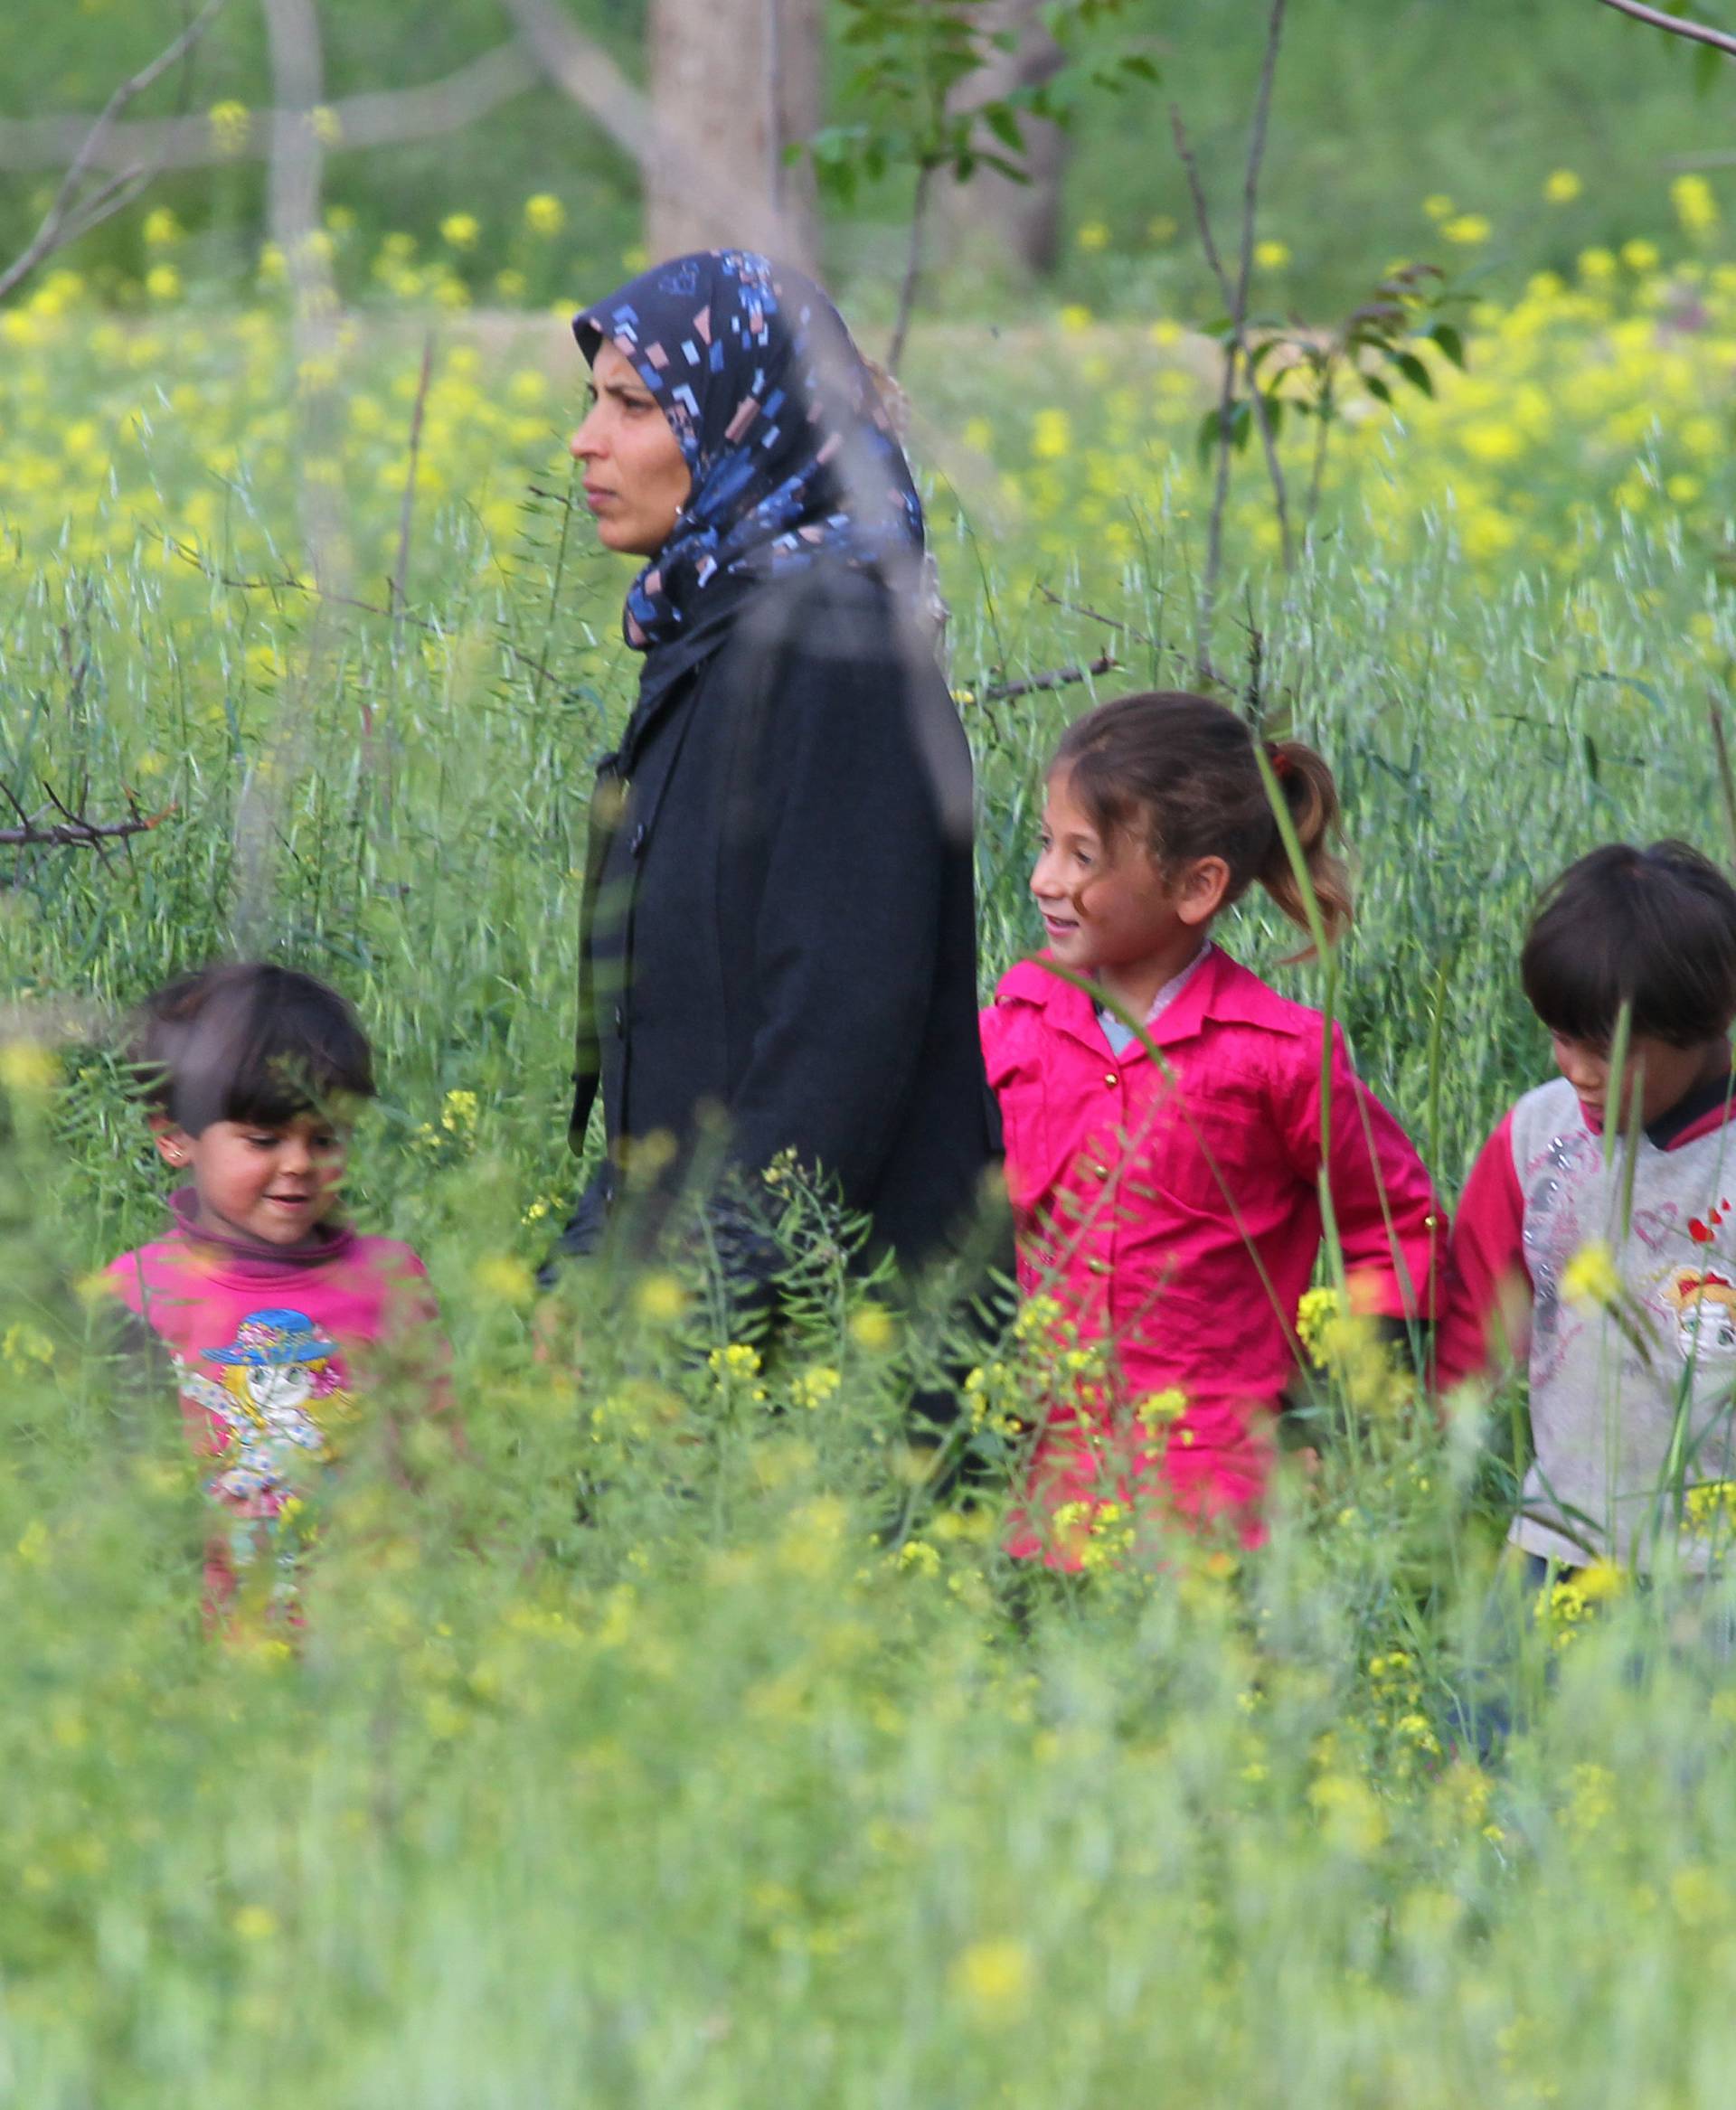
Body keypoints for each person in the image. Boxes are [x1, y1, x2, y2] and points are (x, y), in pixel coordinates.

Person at [549, 249, 1001, 1323]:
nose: (587, 441)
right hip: (711, 1313)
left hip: (837, 1338)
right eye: (593, 402)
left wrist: (699, 1316)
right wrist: (582, 1274)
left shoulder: (839, 660)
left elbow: (837, 1031)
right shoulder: (712, 640)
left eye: (635, 405)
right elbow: (666, 1049)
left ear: (742, 424)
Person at [980, 691, 1443, 1561]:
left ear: (1198, 887)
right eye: (1048, 844)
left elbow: (1398, 1227)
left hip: (1221, 1518)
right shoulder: (1012, 1024)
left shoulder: (1280, 1057)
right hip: (1033, 1506)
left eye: (1081, 856)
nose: (1045, 878)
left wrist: (1339, 1413)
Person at [106, 964, 448, 1616]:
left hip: (372, 1639)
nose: (298, 1163)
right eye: (264, 1139)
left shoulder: (389, 1279)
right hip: (209, 1651)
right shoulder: (135, 1292)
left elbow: (444, 1457)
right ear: (175, 1137)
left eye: (325, 1138)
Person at [1439, 841, 1736, 1577]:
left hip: (1713, 1572)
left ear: (1712, 1017)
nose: (1575, 1071)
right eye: (1562, 1037)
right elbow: (1474, 1334)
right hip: (1557, 1544)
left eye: (1609, 1050)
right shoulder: (1535, 1137)